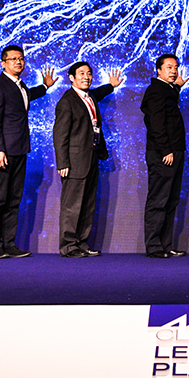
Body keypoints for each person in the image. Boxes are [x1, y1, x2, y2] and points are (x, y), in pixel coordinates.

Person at [0, 45, 57, 259]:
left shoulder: (20, 85)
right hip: (2, 152)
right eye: (13, 59)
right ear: (3, 63)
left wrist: (45, 86)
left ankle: (9, 243)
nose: (18, 62)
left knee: (13, 199)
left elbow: (25, 96)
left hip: (19, 149)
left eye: (21, 59)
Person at [53, 62, 123, 258]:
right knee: (72, 205)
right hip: (74, 162)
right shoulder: (67, 101)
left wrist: (111, 85)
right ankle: (68, 246)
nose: (86, 77)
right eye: (81, 73)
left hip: (91, 158)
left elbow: (98, 93)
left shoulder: (89, 96)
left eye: (89, 73)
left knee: (87, 204)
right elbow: (59, 135)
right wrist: (63, 163)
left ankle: (81, 243)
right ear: (71, 78)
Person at [140, 54, 189, 259]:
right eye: (169, 67)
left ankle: (166, 245)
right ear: (158, 70)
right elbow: (156, 123)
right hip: (164, 153)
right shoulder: (155, 91)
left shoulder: (167, 89)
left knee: (171, 200)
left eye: (175, 67)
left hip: (175, 151)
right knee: (158, 200)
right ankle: (154, 246)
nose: (174, 71)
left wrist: (177, 88)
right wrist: (165, 150)